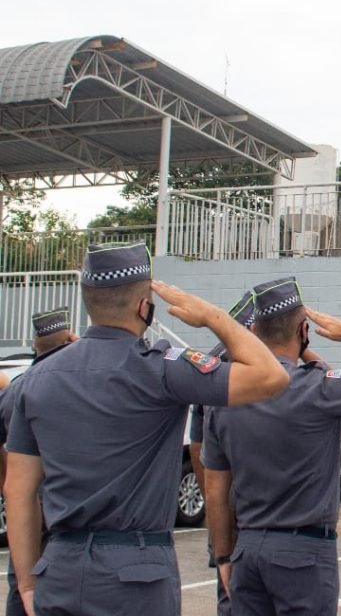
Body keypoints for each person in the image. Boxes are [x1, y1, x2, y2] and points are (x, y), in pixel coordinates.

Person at [4, 240, 289, 616]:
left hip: (61, 567)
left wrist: (25, 581)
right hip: (137, 573)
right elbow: (272, 377)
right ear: (145, 307)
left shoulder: (36, 380)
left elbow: (18, 489)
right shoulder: (161, 368)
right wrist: (212, 317)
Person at [202, 279, 341, 615]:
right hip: (302, 552)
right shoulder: (318, 389)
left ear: (254, 331)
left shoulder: (226, 397)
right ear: (304, 331)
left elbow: (216, 488)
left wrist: (223, 556)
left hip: (247, 548)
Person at [0, 308, 77, 616]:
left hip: (28, 509)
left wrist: (9, 484)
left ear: (35, 345)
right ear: (71, 339)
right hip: (70, 513)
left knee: (22, 584)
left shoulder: (17, 390)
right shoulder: (80, 386)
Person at [188, 289, 257, 616]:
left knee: (228, 586)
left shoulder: (211, 376)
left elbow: (197, 449)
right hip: (255, 507)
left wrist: (214, 505)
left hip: (227, 503)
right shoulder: (258, 377)